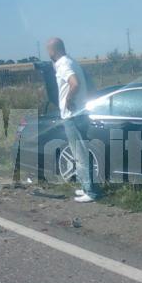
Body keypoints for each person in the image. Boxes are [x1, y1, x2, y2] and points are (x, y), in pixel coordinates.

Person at [47, 37, 101, 203]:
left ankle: (90, 192)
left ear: (54, 50)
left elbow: (74, 84)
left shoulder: (64, 64)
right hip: (79, 114)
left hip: (73, 116)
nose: (48, 54)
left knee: (80, 154)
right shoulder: (70, 61)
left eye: (48, 50)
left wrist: (69, 99)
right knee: (81, 153)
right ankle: (86, 187)